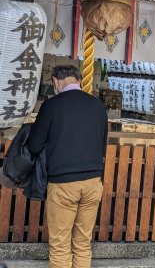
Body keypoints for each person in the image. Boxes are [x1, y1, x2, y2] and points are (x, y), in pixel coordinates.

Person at [28, 65, 107, 268]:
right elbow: (102, 143)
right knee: (82, 243)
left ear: (55, 81)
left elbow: (34, 145)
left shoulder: (51, 106)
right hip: (93, 183)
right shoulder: (98, 106)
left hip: (63, 183)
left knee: (61, 245)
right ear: (79, 80)